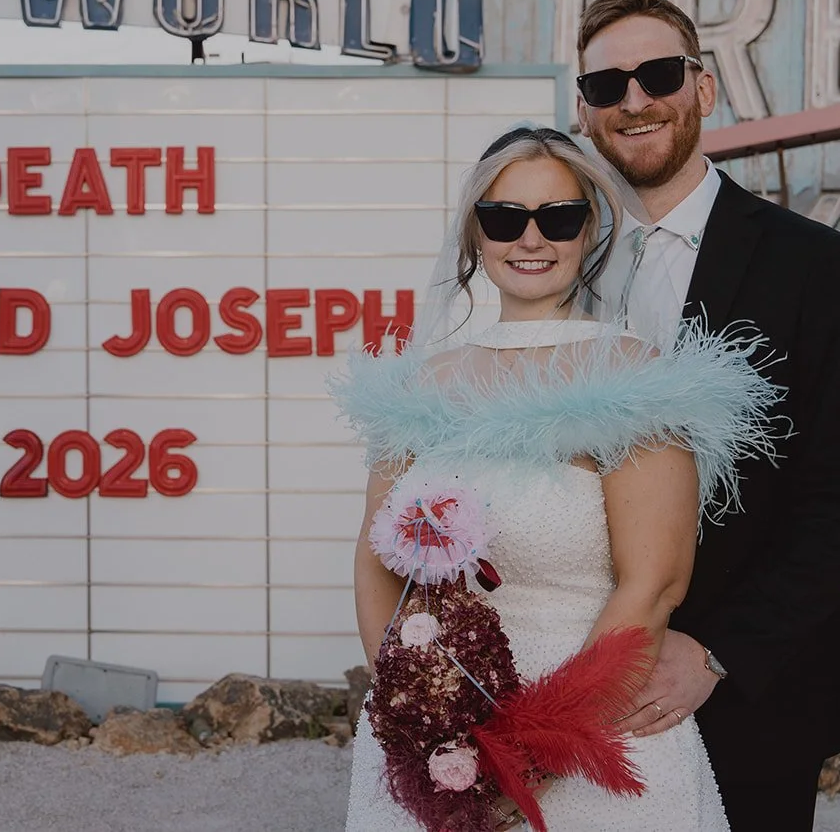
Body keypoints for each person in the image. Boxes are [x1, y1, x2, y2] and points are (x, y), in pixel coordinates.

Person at [333, 125, 783, 831]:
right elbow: (373, 563)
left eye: (559, 217)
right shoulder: (416, 386)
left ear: (590, 228)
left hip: (590, 741)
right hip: (435, 754)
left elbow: (655, 582)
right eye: (505, 217)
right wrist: (418, 716)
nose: (531, 238)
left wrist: (528, 760)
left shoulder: (634, 378)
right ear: (476, 233)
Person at [577, 0, 840, 832]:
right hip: (569, 669)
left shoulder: (814, 265)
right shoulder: (556, 260)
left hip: (746, 689)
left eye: (657, 75)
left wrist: (716, 652)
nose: (634, 100)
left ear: (703, 88)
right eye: (607, 86)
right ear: (584, 111)